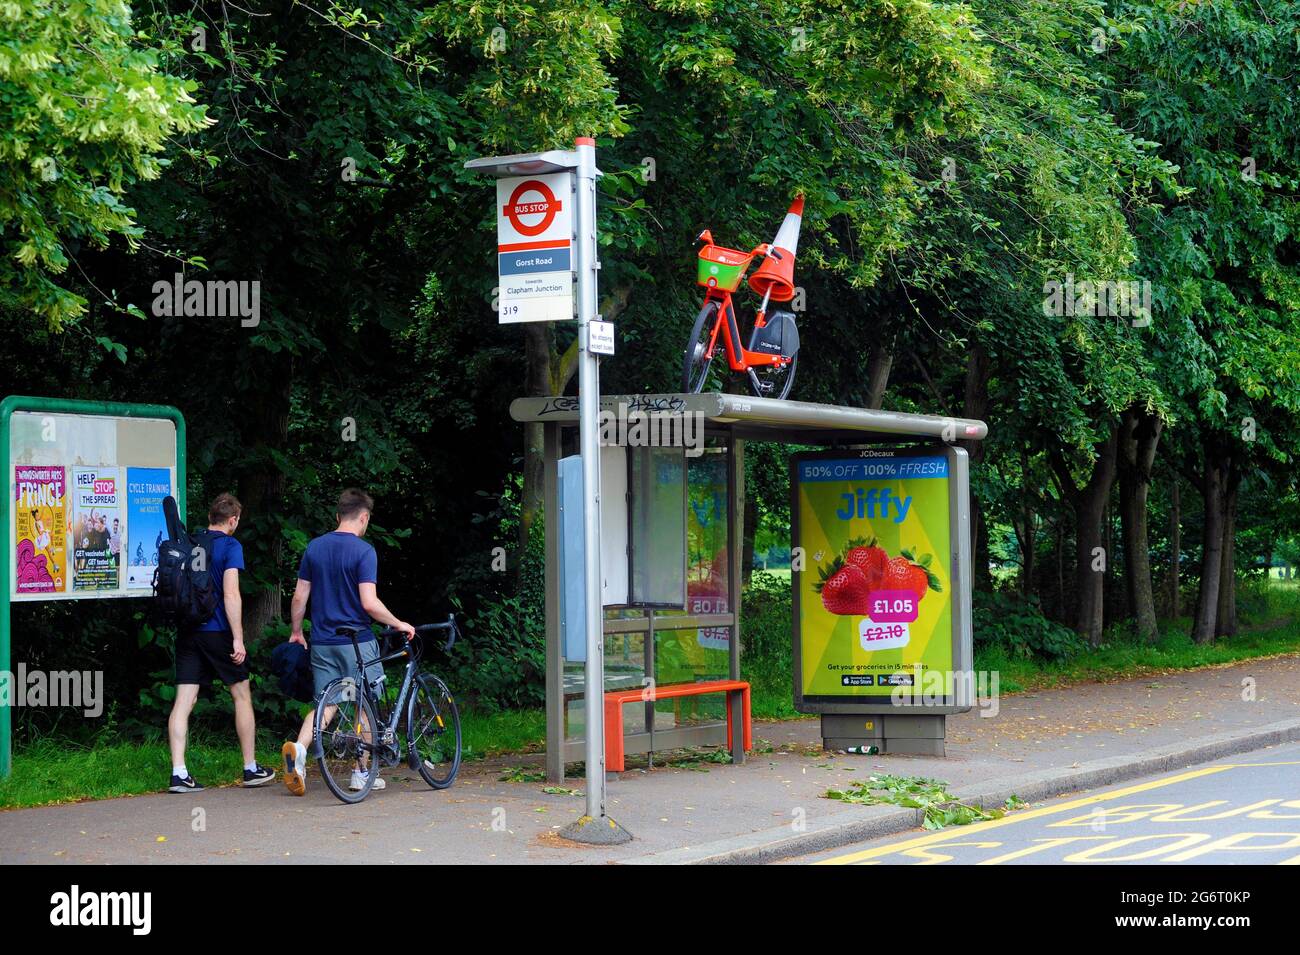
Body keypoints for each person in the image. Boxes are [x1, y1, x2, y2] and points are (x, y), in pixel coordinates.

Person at [281, 488, 414, 796]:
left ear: (338, 516)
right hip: (357, 642)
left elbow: (300, 595)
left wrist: (297, 631)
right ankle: (360, 773)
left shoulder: (314, 547)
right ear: (363, 517)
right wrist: (398, 623)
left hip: (324, 641)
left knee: (325, 703)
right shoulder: (364, 552)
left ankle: (299, 752)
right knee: (363, 707)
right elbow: (369, 603)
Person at [167, 493, 276, 792]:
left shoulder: (192, 543)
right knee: (241, 694)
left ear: (209, 518)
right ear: (232, 520)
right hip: (217, 632)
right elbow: (231, 594)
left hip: (189, 630)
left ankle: (178, 773)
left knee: (184, 701)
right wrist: (238, 638)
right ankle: (250, 768)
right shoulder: (231, 546)